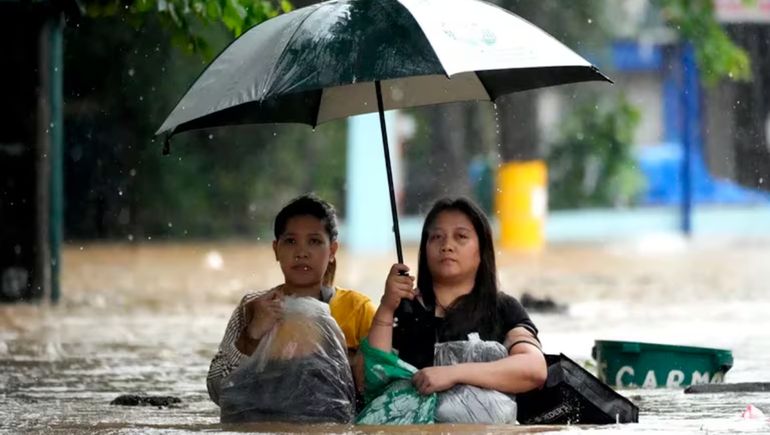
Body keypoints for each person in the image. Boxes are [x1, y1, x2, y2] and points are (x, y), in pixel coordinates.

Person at [206, 194, 376, 406]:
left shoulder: (358, 309)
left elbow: (381, 390)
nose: (301, 252)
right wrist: (251, 337)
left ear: (332, 251)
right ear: (276, 250)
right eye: (290, 241)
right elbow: (217, 390)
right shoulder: (254, 307)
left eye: (314, 241)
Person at [367, 197, 547, 396]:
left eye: (461, 236)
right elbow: (371, 379)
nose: (447, 246)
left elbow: (534, 369)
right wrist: (386, 307)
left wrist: (453, 374)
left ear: (482, 249)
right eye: (436, 237)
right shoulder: (403, 308)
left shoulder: (502, 308)